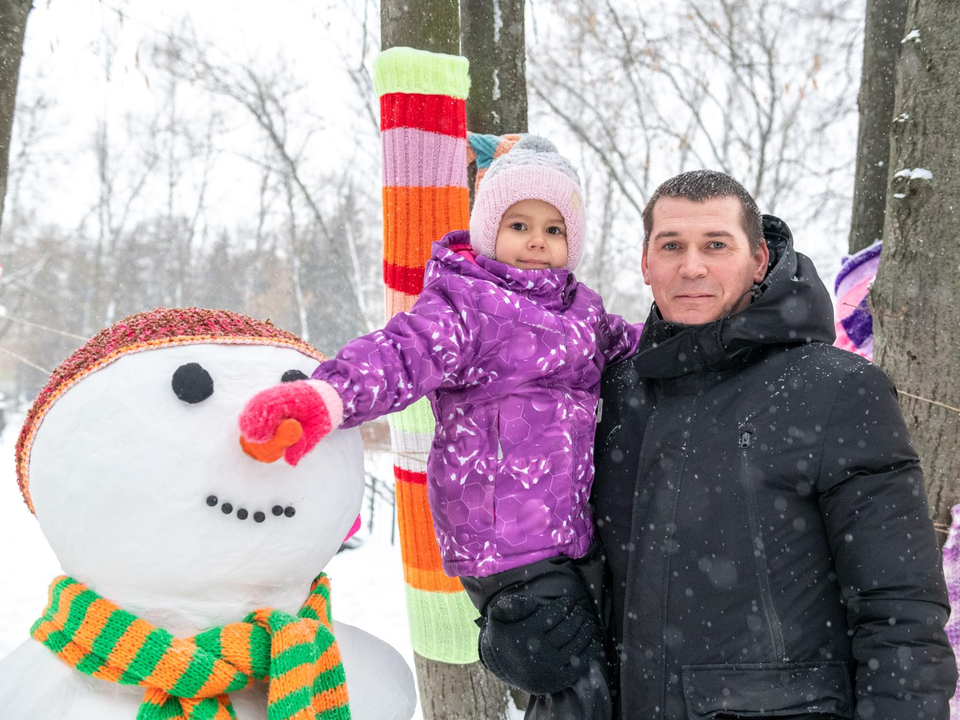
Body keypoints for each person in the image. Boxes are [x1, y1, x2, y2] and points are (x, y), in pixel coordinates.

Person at [479, 169, 958, 719]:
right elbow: (530, 542)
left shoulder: (837, 391)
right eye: (671, 245)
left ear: (758, 260)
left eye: (716, 244)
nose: (692, 266)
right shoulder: (606, 389)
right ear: (646, 263)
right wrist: (511, 635)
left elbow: (899, 613)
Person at [238, 135, 643, 719]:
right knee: (569, 677)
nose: (536, 240)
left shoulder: (583, 312)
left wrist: (706, 340)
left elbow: (635, 348)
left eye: (554, 230)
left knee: (602, 668)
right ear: (487, 230)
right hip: (503, 538)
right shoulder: (466, 304)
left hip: (573, 533)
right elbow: (401, 354)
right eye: (519, 224)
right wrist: (328, 395)